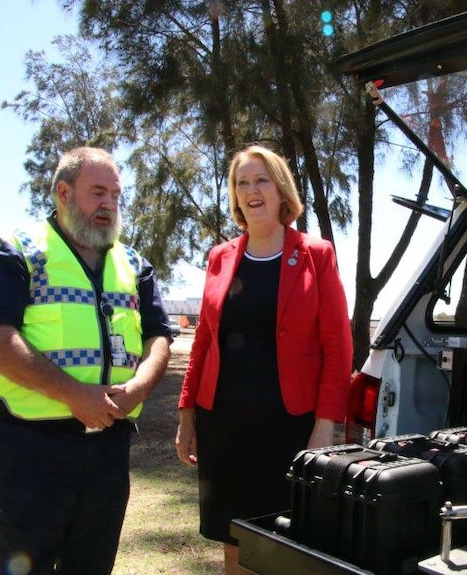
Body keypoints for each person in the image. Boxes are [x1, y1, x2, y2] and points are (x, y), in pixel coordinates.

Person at [0, 146, 172, 575]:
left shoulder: (134, 263)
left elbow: (159, 338)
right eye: (97, 192)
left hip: (108, 452)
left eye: (116, 195)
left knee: (92, 566)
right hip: (31, 450)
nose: (109, 205)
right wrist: (74, 394)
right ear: (63, 193)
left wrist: (138, 387)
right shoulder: (17, 251)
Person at [176, 144, 353, 575]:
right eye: (242, 183)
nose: (251, 190)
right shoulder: (220, 257)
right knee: (233, 542)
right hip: (224, 425)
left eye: (261, 180)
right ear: (235, 196)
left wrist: (326, 423)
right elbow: (203, 340)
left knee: (286, 548)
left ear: (280, 191)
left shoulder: (316, 254)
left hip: (290, 427)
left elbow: (338, 345)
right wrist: (186, 414)